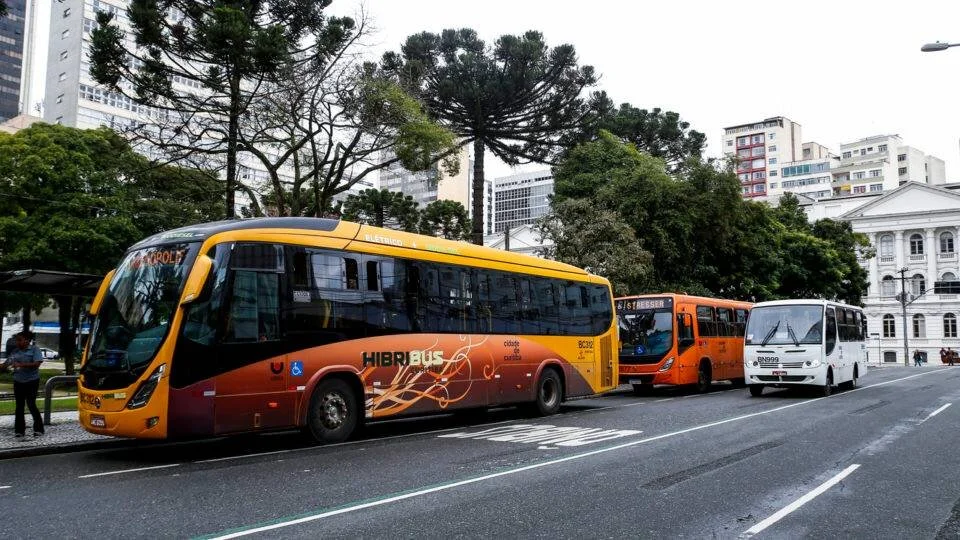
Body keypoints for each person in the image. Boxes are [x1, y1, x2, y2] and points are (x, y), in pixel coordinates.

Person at [3, 331, 45, 438]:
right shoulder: (15, 352)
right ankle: (19, 431)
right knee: (19, 406)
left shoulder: (35, 350)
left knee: (31, 405)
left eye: (19, 340)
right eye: (16, 340)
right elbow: (6, 364)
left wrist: (20, 364)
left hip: (32, 381)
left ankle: (39, 429)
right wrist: (4, 365)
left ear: (27, 340)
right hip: (18, 381)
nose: (17, 342)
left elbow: (37, 364)